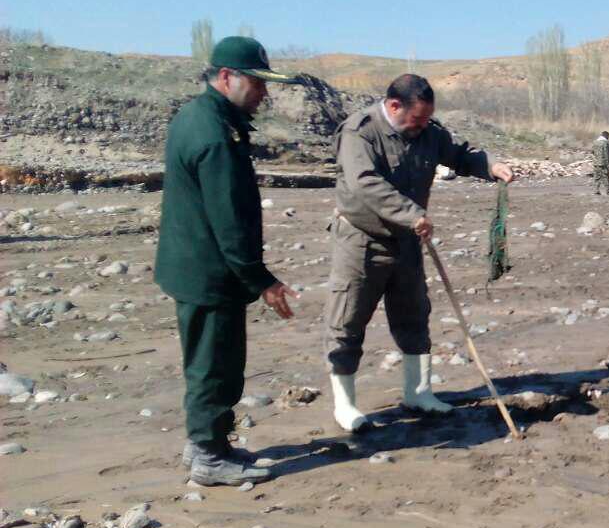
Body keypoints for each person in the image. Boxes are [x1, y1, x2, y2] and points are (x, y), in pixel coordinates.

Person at [326, 74, 514, 432]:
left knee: (414, 314)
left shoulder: (428, 131)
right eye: (416, 120)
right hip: (361, 242)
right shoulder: (360, 133)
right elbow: (365, 182)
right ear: (394, 106)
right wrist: (413, 214)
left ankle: (418, 393)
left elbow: (457, 154)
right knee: (346, 320)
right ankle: (346, 406)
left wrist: (489, 166)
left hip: (408, 242)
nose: (422, 127)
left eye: (427, 120)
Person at [155, 36, 300, 486]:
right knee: (214, 365)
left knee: (209, 361)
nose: (263, 92)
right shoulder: (214, 133)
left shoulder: (205, 118)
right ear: (225, 77)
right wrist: (263, 280)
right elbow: (230, 223)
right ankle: (208, 456)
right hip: (208, 271)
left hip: (199, 266)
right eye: (256, 82)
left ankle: (206, 443)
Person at [591, 130, 609, 196]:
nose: (608, 138)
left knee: (596, 177)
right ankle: (608, 191)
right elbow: (607, 154)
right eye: (608, 136)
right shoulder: (605, 143)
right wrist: (608, 163)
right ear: (606, 136)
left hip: (596, 163)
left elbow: (592, 151)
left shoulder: (595, 142)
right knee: (606, 177)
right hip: (603, 163)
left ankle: (596, 191)